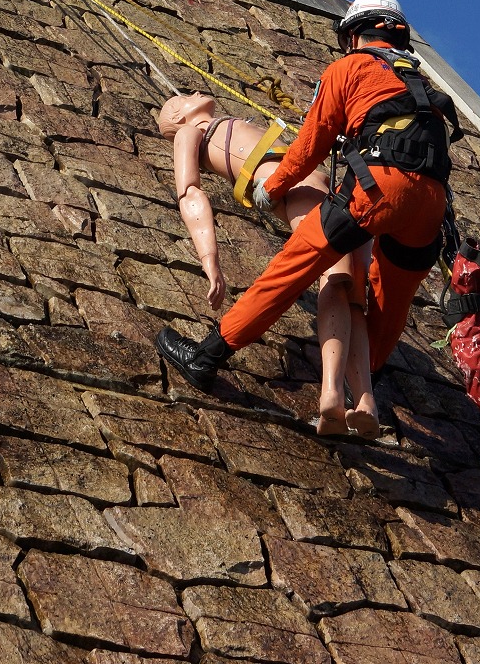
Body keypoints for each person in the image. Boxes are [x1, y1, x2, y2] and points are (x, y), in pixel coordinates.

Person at [156, 0, 461, 401]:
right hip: (432, 206)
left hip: (379, 188)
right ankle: (365, 385)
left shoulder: (349, 67)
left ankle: (207, 357)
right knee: (390, 302)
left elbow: (311, 142)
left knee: (293, 267)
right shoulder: (420, 82)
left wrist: (274, 188)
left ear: (354, 35)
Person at [157, 92, 379, 436]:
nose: (195, 93)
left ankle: (354, 399)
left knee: (349, 292)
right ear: (176, 115)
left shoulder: (232, 123)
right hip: (310, 190)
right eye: (183, 97)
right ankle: (348, 396)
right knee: (340, 284)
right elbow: (189, 193)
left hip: (330, 188)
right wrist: (209, 258)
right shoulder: (190, 133)